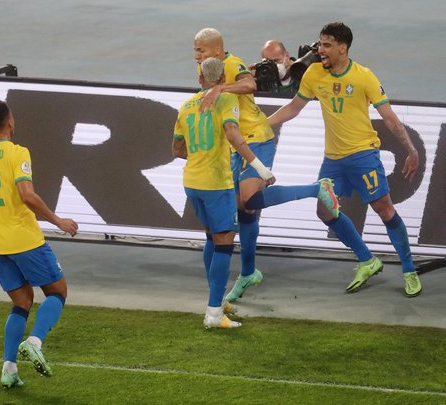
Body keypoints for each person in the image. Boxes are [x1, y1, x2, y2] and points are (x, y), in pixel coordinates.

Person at [267, 22, 422, 297]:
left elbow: (389, 118)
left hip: (363, 155)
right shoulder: (314, 73)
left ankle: (409, 270)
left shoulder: (364, 77)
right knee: (324, 211)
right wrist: (264, 124)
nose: (320, 50)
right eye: (320, 44)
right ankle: (368, 259)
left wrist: (410, 149)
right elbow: (294, 107)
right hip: (333, 160)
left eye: (326, 45)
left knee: (384, 210)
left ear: (343, 47)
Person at [194, 28, 340, 303]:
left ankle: (316, 189)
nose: (196, 55)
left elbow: (249, 85)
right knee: (246, 209)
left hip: (256, 140)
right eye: (195, 50)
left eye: (200, 50)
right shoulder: (211, 69)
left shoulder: (232, 65)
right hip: (238, 145)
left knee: (250, 198)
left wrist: (220, 87)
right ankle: (248, 272)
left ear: (216, 50)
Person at [0, 100, 79, 388]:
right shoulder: (17, 152)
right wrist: (58, 221)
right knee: (58, 292)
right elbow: (27, 195)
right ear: (10, 121)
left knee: (21, 302)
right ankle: (34, 341)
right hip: (24, 239)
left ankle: (9, 369)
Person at [173, 57, 277, 328]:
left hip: (191, 182)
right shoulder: (227, 100)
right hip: (217, 183)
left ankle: (218, 300)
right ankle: (214, 314)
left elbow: (176, 150)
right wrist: (261, 169)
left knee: (211, 238)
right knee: (224, 244)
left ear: (199, 79)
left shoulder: (185, 106)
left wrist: (199, 156)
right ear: (222, 81)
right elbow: (233, 134)